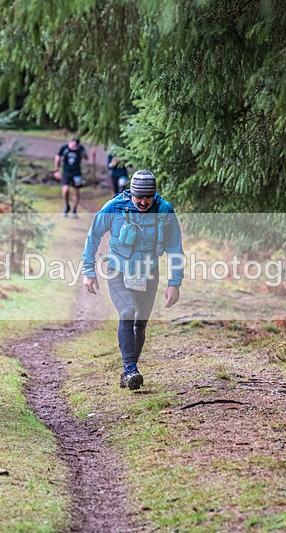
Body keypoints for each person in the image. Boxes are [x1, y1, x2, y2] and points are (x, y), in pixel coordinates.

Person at [81, 170, 184, 390]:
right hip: (118, 270)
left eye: (148, 198)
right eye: (139, 198)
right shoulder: (115, 207)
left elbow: (175, 248)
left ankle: (129, 370)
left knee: (140, 324)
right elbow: (93, 235)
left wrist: (174, 283)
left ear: (154, 195)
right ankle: (130, 369)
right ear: (132, 194)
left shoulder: (164, 210)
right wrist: (88, 270)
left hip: (148, 273)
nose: (143, 202)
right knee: (127, 312)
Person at [54, 136, 88, 218]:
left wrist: (83, 153)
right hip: (66, 173)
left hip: (77, 173)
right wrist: (56, 170)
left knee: (76, 192)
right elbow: (57, 158)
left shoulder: (80, 148)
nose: (74, 146)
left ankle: (75, 210)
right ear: (69, 143)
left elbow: (86, 158)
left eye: (76, 144)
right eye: (73, 144)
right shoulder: (64, 148)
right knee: (65, 190)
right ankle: (66, 206)